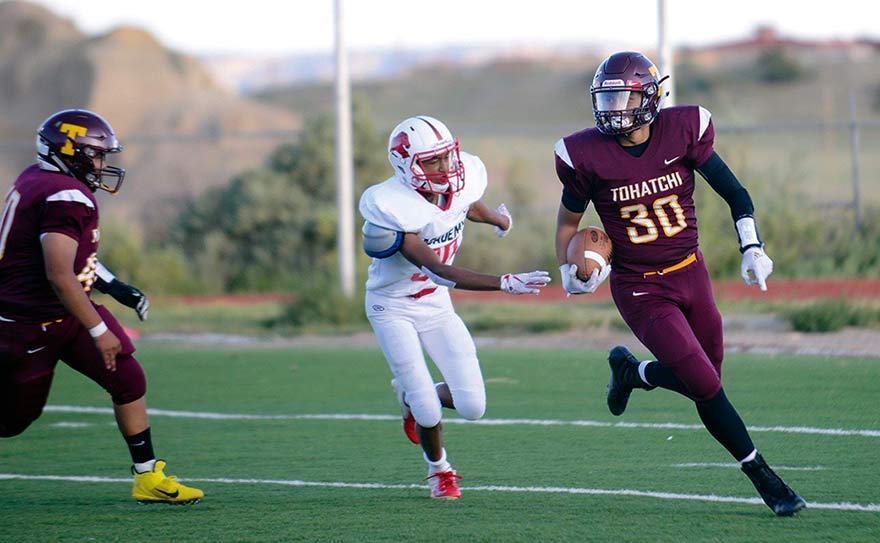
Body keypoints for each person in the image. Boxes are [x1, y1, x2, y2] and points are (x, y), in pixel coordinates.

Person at [553, 52, 805, 516]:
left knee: (708, 373)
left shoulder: (683, 129)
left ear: (649, 97)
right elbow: (568, 223)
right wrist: (569, 270)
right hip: (640, 286)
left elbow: (736, 193)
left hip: (692, 271)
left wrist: (752, 246)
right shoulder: (584, 154)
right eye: (606, 98)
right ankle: (764, 477)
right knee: (706, 387)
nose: (612, 108)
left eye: (623, 97)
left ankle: (633, 373)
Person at [0, 109, 203, 505]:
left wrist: (114, 286)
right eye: (95, 156)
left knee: (128, 378)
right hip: (30, 321)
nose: (101, 165)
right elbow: (59, 273)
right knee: (11, 422)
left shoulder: (39, 178)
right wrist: (98, 329)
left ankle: (147, 479)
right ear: (70, 153)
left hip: (65, 311)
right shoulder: (66, 195)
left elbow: (71, 258)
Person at [359, 115, 550, 499]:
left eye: (448, 156)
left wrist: (498, 218)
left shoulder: (457, 185)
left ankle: (412, 395)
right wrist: (505, 283)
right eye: (433, 161)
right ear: (406, 165)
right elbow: (440, 271)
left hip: (435, 305)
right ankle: (439, 470)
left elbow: (463, 206)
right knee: (429, 410)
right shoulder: (393, 207)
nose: (446, 168)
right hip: (392, 307)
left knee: (473, 405)